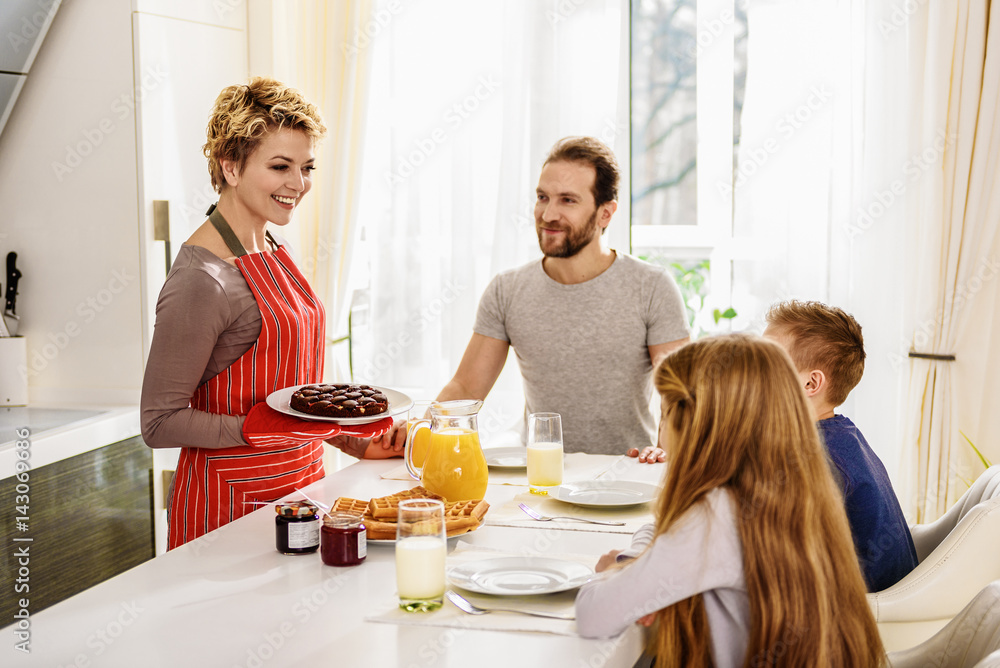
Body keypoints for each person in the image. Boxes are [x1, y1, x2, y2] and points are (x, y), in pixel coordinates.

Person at [141, 77, 395, 550]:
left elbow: (294, 398)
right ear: (231, 166)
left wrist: (352, 438)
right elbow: (158, 422)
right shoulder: (202, 280)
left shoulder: (276, 247)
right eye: (280, 166)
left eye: (306, 167)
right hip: (228, 512)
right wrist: (253, 428)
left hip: (302, 495)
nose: (298, 185)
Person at [575, 334, 885, 667]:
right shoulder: (802, 487)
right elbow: (679, 543)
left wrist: (621, 568)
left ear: (695, 426)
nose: (661, 430)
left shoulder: (715, 515)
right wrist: (648, 561)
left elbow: (594, 615)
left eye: (664, 414)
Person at [378, 137, 688, 459]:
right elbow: (465, 388)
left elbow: (679, 397)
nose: (548, 214)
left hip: (627, 476)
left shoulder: (652, 287)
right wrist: (422, 427)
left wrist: (664, 453)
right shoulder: (507, 290)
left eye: (568, 200)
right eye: (543, 197)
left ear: (605, 214)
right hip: (541, 477)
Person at [763, 300, 918, 592]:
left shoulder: (821, 458)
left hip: (863, 613)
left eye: (765, 361)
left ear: (810, 384)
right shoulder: (839, 434)